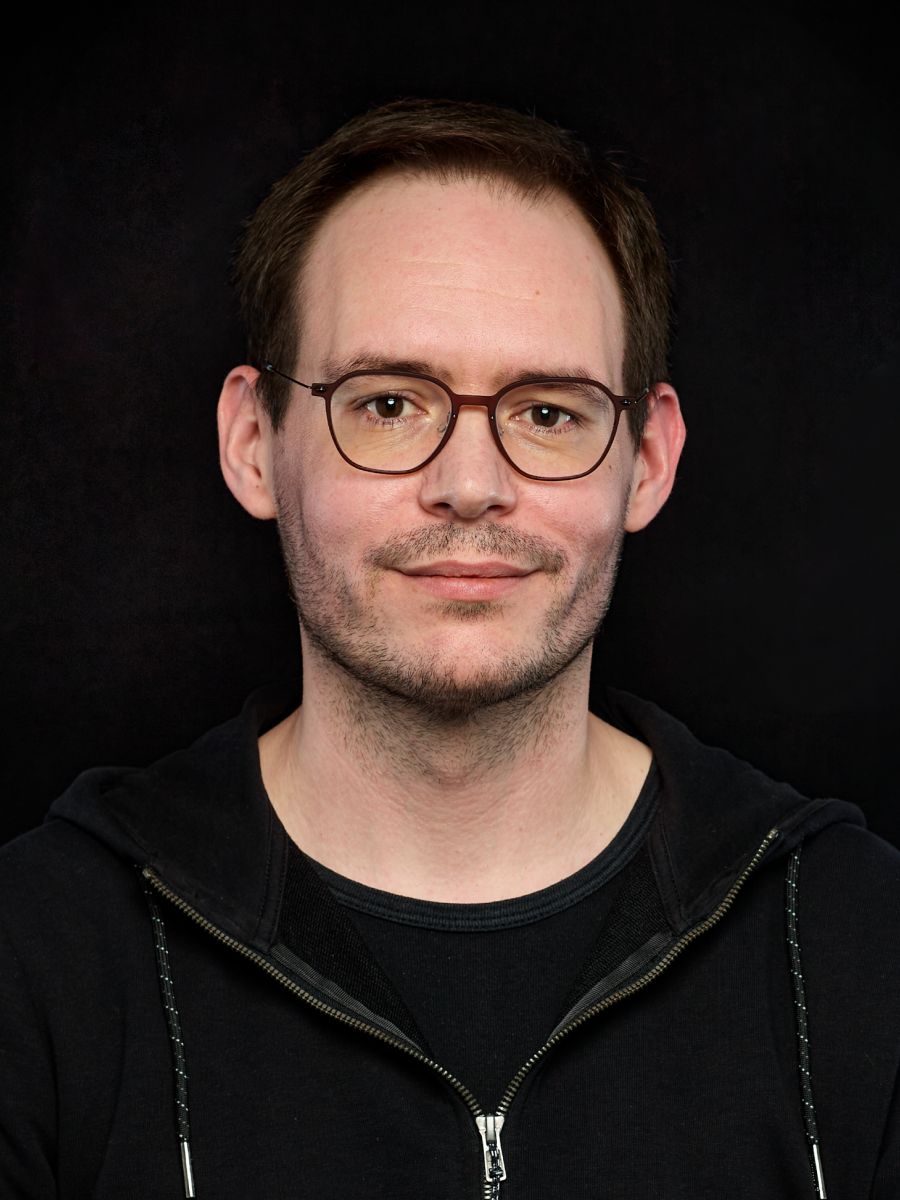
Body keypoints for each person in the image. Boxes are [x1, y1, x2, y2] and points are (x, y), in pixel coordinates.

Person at [1, 99, 897, 1200]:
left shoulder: (862, 941)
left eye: (549, 414)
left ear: (649, 460)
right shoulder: (38, 956)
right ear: (253, 443)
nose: (470, 485)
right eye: (388, 404)